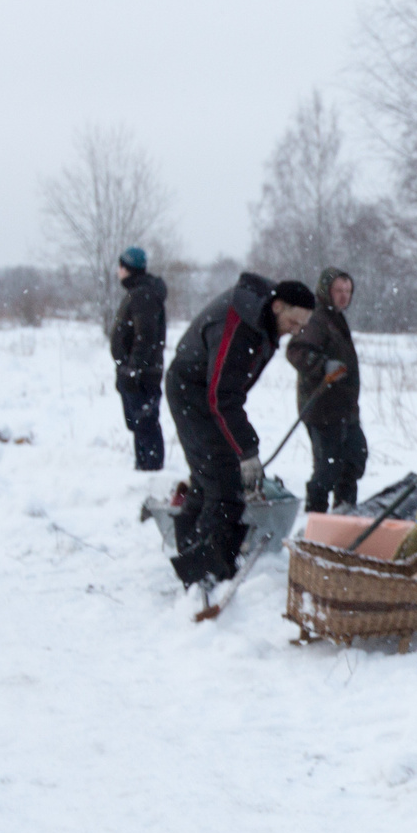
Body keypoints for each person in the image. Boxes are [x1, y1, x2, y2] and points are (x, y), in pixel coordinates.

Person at [162, 271, 313, 588]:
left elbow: (226, 393)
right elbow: (222, 396)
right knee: (224, 486)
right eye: (293, 322)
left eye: (301, 326)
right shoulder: (239, 324)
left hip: (206, 394)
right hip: (192, 393)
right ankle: (208, 574)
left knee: (207, 480)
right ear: (278, 307)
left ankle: (191, 558)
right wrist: (247, 450)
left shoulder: (262, 317)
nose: (294, 331)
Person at [284, 265, 365, 512]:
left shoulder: (336, 318)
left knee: (354, 460)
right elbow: (296, 350)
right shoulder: (317, 319)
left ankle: (344, 511)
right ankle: (315, 516)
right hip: (323, 410)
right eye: (338, 290)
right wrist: (322, 366)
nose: (344, 296)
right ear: (325, 291)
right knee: (327, 469)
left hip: (345, 410)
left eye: (348, 291)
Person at [108, 247, 168, 472]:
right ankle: (143, 466)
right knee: (139, 422)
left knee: (145, 421)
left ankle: (151, 470)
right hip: (137, 371)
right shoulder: (139, 292)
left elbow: (145, 337)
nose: (118, 271)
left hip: (142, 374)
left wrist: (133, 369)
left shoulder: (143, 294)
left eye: (121, 267)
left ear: (127, 269)